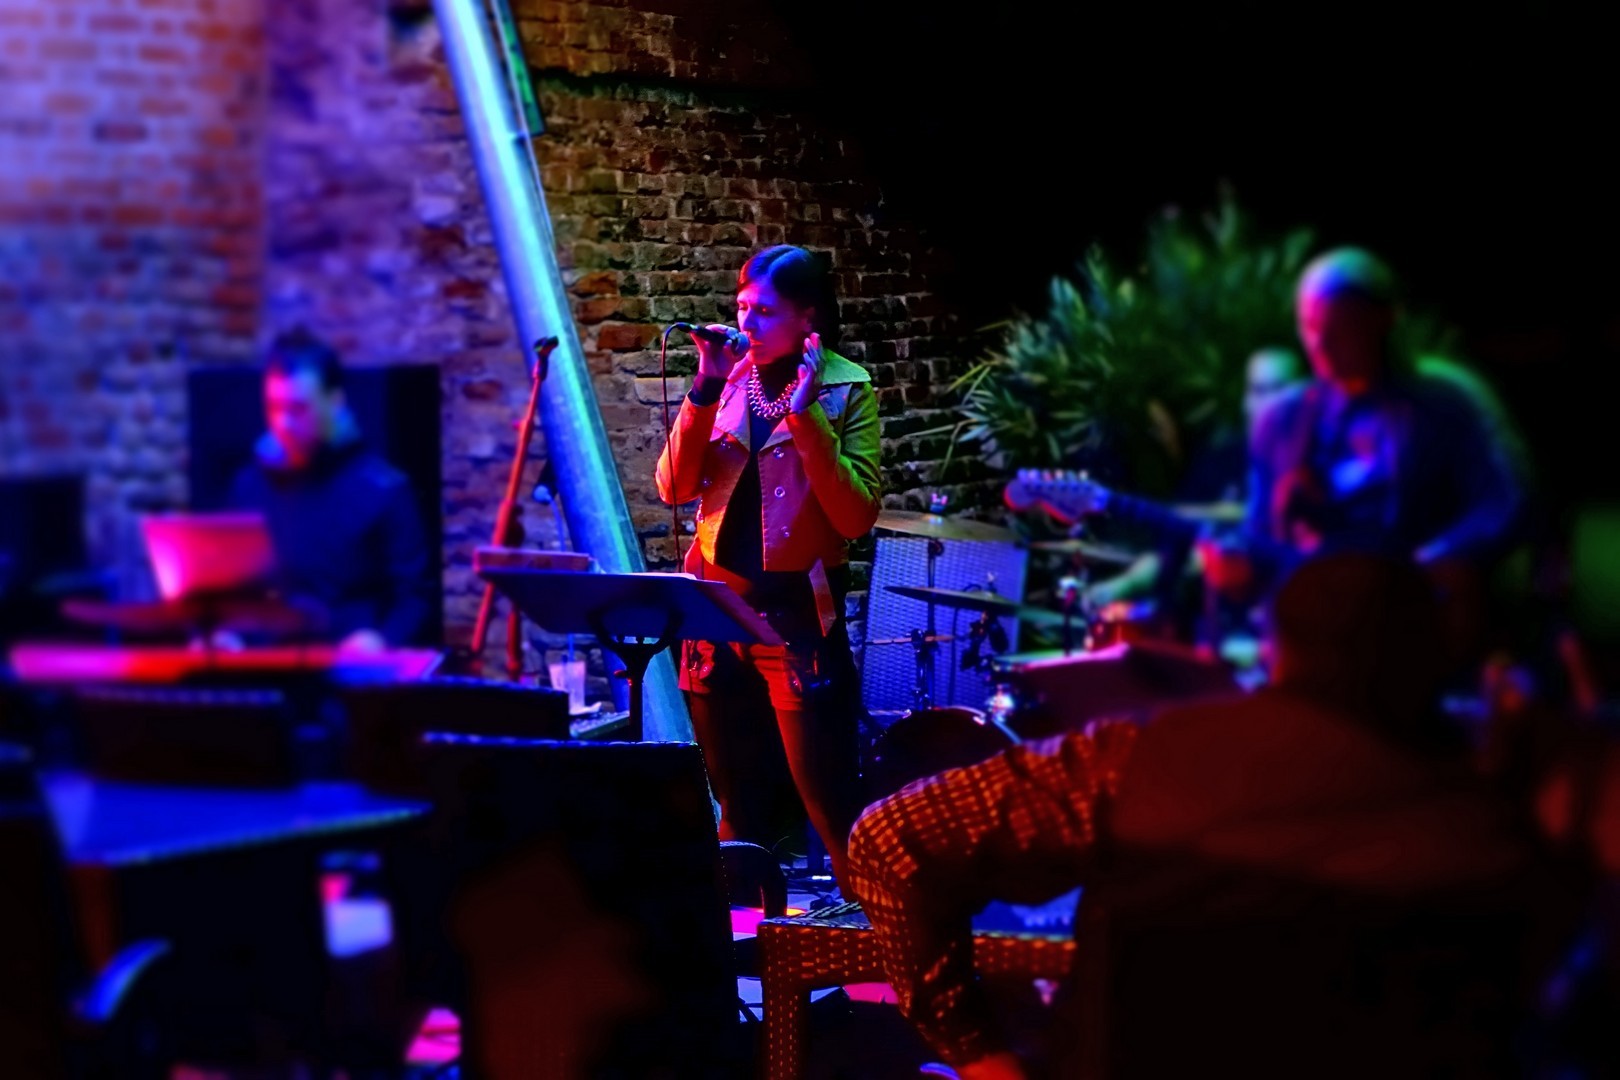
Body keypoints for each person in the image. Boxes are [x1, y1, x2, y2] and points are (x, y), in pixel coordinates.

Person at [846, 552, 1578, 1079]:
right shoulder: (1504, 814)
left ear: (1275, 650)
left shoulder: (1131, 760)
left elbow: (888, 839)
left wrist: (980, 1055)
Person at [655, 244, 880, 889]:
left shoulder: (846, 387)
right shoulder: (729, 379)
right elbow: (673, 487)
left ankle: (869, 926)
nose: (746, 324)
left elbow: (855, 516)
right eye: (742, 307)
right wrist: (704, 387)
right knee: (734, 808)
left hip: (796, 617)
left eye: (765, 311)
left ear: (808, 318)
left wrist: (805, 417)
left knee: (828, 800)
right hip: (715, 611)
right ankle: (748, 938)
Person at [1200, 247, 1530, 673]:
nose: (1320, 344)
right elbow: (1263, 539)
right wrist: (1238, 571)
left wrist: (1434, 563)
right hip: (1311, 648)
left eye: (1339, 328)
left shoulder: (1447, 400)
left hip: (1421, 641)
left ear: (1383, 318)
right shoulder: (1282, 420)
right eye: (1310, 326)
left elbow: (1507, 501)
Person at [226, 328, 433, 651]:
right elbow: (236, 592)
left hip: (350, 672)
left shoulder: (384, 490)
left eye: (298, 409)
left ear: (334, 401)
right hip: (266, 669)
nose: (284, 423)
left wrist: (381, 640)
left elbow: (416, 598)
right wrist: (227, 636)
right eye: (275, 408)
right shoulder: (249, 486)